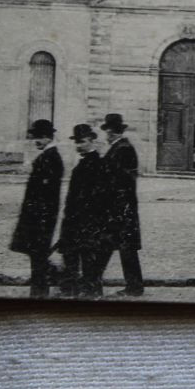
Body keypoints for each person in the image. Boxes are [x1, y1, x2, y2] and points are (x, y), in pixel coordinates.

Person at [56, 123, 117, 299]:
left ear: (91, 140)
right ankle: (78, 292)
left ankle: (89, 294)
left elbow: (97, 200)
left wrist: (85, 222)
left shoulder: (96, 164)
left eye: (81, 141)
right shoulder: (86, 162)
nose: (78, 145)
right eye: (76, 142)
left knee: (87, 262)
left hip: (85, 224)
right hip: (77, 223)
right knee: (77, 260)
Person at [9, 119, 64, 298]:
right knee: (37, 258)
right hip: (38, 218)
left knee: (39, 259)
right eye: (36, 138)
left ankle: (39, 294)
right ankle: (39, 292)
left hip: (41, 219)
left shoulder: (51, 158)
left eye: (40, 138)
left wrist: (38, 219)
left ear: (48, 138)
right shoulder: (47, 156)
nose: (36, 141)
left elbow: (46, 195)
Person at [100, 112, 144, 296]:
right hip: (122, 208)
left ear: (111, 132)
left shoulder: (122, 149)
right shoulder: (120, 147)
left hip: (121, 208)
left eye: (107, 131)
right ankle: (134, 286)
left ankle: (134, 287)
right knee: (119, 247)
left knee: (124, 248)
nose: (106, 135)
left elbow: (122, 181)